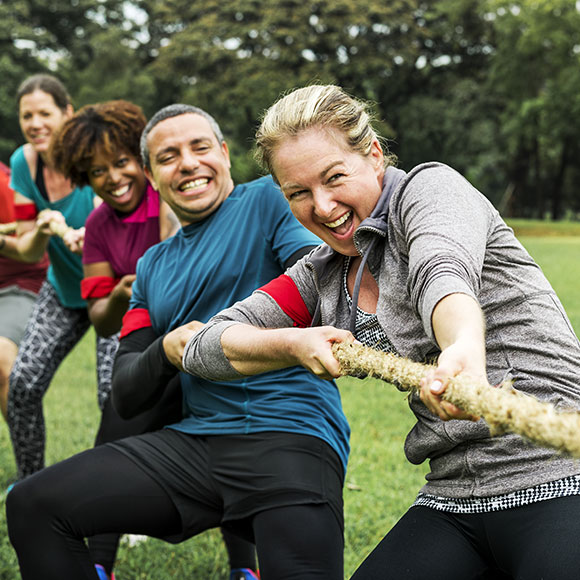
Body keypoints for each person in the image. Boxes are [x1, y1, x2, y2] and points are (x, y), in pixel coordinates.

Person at [177, 85, 580, 580]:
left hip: (560, 473)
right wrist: (292, 343)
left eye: (334, 178)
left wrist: (463, 352)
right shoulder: (320, 274)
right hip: (453, 498)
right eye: (298, 193)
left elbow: (443, 273)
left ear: (372, 156)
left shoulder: (430, 191)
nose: (322, 207)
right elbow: (206, 347)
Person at [6, 103, 350, 580]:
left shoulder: (268, 202)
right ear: (151, 174)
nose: (187, 163)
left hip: (289, 437)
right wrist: (167, 349)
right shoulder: (151, 268)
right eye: (168, 156)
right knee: (32, 503)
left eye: (200, 147)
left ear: (225, 154)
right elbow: (126, 392)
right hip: (198, 446)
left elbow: (318, 281)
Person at [49, 99, 256, 580]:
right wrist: (125, 291)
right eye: (96, 171)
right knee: (113, 435)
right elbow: (101, 319)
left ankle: (246, 569)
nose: (113, 177)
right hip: (149, 349)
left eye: (121, 163)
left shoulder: (173, 193)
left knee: (233, 443)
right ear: (85, 177)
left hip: (211, 341)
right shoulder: (100, 226)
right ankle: (100, 564)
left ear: (141, 164)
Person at [4, 74, 118, 482]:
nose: (35, 123)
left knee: (115, 397)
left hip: (115, 289)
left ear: (67, 113)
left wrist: (99, 233)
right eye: (26, 115)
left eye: (44, 113)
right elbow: (26, 250)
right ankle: (29, 483)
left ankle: (125, 497)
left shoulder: (94, 155)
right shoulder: (24, 163)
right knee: (22, 385)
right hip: (65, 288)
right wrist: (42, 228)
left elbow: (135, 214)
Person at [0, 166, 48, 422]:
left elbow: (32, 254)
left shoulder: (4, 185)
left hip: (16, 285)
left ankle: (28, 460)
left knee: (1, 358)